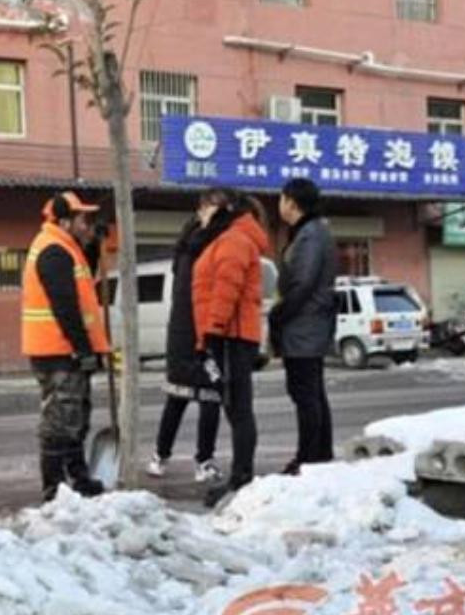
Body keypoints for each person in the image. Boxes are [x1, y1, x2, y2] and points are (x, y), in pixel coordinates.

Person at [21, 191, 110, 502]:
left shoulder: (65, 248)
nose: (88, 225)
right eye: (84, 220)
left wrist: (97, 246)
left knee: (76, 418)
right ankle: (55, 487)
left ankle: (79, 477)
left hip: (64, 350)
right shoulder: (53, 251)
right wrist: (83, 348)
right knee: (60, 421)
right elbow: (65, 306)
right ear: (64, 220)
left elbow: (85, 280)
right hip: (57, 352)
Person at [192, 191, 271, 508]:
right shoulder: (225, 237)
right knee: (235, 407)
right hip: (227, 335)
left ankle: (241, 478)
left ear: (225, 209)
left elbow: (227, 287)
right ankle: (241, 475)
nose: (201, 211)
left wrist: (212, 332)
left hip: (230, 336)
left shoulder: (234, 239)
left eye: (206, 205)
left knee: (238, 407)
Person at [145, 191, 227, 484]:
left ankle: (160, 456)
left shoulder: (185, 242)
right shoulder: (205, 240)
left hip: (180, 328)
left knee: (178, 396)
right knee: (209, 396)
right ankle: (203, 461)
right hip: (198, 327)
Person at [269, 177, 338, 475]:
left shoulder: (310, 235)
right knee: (313, 393)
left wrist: (280, 314)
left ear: (292, 203)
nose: (279, 204)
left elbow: (303, 282)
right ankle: (319, 454)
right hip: (309, 324)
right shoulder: (314, 231)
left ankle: (308, 458)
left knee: (305, 394)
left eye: (281, 198)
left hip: (304, 325)